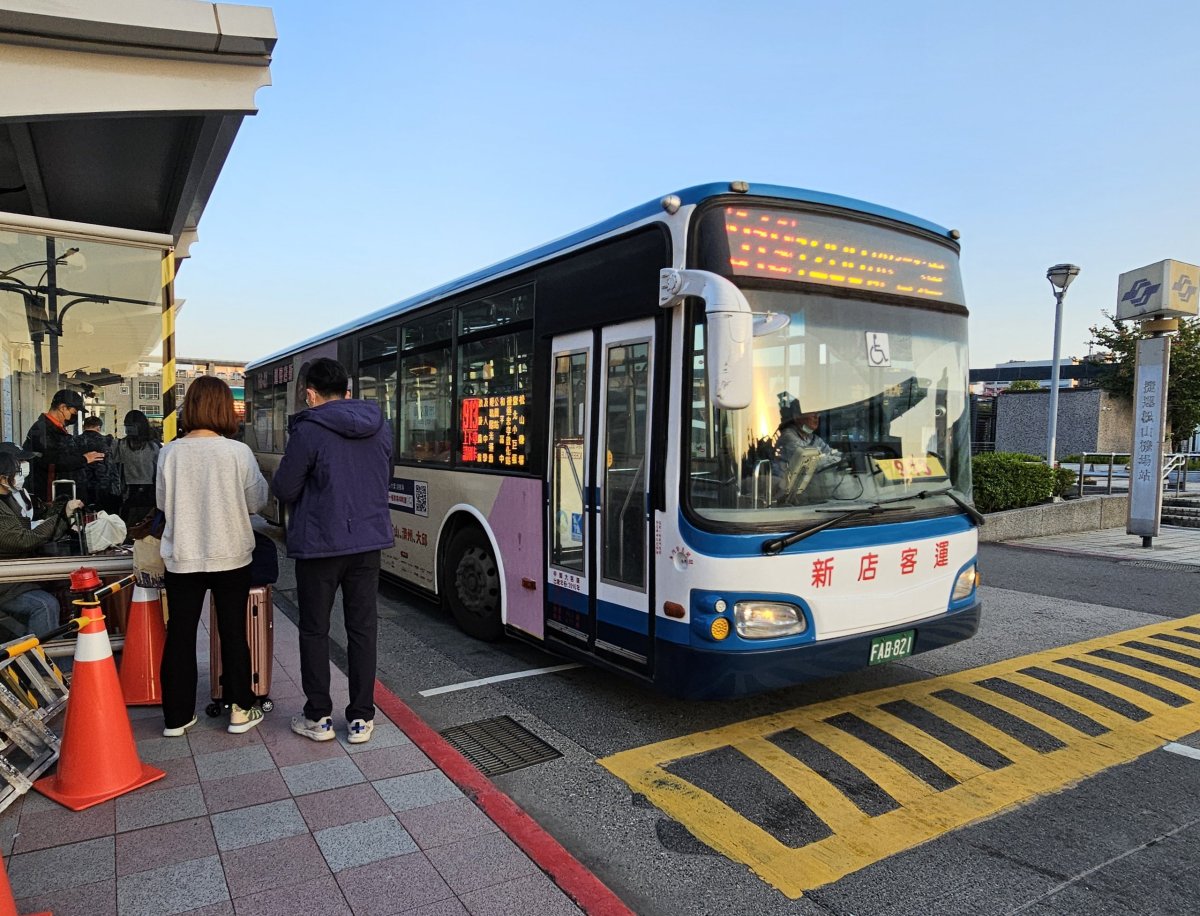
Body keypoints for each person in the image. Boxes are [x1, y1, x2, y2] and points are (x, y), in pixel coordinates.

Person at [271, 357, 392, 745]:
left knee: (315, 629)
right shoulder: (379, 426)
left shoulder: (309, 430)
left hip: (320, 544)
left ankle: (318, 717)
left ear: (310, 393)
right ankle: (360, 719)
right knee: (362, 629)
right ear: (348, 390)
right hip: (367, 543)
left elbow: (285, 489)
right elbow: (384, 476)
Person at [157, 376, 269, 737]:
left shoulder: (169, 453)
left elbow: (162, 504)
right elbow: (257, 502)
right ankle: (240, 709)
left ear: (189, 409)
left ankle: (176, 717)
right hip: (231, 556)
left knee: (180, 634)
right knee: (233, 632)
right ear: (224, 410)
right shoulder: (238, 453)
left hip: (183, 557)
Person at [0, 444, 83, 639]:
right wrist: (62, 515)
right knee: (45, 605)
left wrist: (62, 515)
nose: (22, 471)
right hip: (7, 584)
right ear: (3, 478)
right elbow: (23, 539)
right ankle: (47, 665)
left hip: (18, 577)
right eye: (17, 468)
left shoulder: (12, 497)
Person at [23, 389, 105, 503]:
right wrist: (84, 459)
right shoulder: (43, 430)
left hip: (60, 492)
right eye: (74, 412)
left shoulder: (55, 429)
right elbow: (53, 461)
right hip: (49, 495)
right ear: (62, 408)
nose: (75, 416)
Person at [114, 410, 160, 528]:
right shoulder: (154, 446)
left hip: (128, 493)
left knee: (128, 529)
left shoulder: (119, 445)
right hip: (151, 493)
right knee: (149, 529)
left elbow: (114, 466)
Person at [74, 416, 121, 514]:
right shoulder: (107, 441)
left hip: (81, 486)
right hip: (104, 487)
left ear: (84, 427)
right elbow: (112, 467)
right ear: (99, 428)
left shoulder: (75, 441)